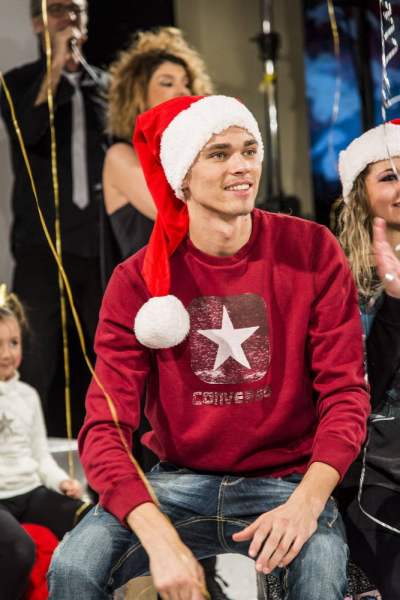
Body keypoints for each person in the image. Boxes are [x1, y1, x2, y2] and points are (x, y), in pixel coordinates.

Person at [48, 95, 370, 600]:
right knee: (73, 566)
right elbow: (104, 427)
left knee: (320, 570)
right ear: (182, 177)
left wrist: (307, 503)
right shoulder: (137, 280)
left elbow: (345, 395)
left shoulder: (312, 250)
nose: (242, 166)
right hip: (177, 482)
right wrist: (159, 539)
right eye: (219, 154)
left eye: (249, 150)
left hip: (287, 481)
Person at [0, 0, 108, 436]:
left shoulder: (109, 85)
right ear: (36, 22)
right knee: (37, 355)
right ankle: (22, 452)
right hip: (40, 246)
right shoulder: (16, 83)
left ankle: (110, 449)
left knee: (107, 355)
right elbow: (28, 131)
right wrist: (56, 66)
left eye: (78, 10)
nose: (70, 18)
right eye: (59, 9)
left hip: (98, 246)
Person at [335, 119, 400, 599]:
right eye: (389, 176)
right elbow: (360, 389)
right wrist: (394, 303)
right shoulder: (339, 281)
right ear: (359, 194)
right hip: (373, 474)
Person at [0, 283, 89, 600]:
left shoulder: (28, 395)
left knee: (90, 520)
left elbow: (40, 456)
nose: (7, 354)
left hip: (29, 490)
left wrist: (61, 481)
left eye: (14, 343)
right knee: (19, 549)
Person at [103, 26, 213, 264]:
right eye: (167, 83)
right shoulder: (120, 156)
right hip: (149, 286)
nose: (182, 91)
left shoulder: (193, 155)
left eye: (186, 83)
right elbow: (176, 215)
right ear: (139, 96)